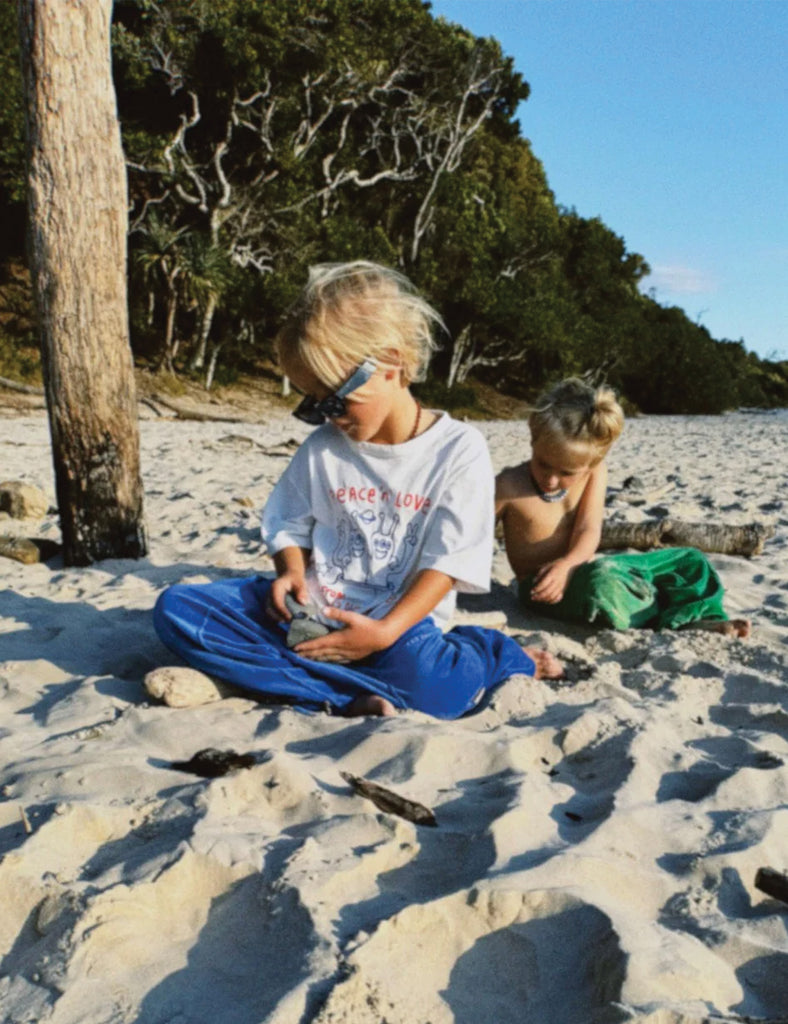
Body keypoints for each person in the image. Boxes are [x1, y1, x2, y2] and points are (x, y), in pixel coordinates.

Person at [150, 261, 561, 719]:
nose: (327, 415)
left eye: (334, 398)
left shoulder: (458, 450)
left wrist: (383, 633)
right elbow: (287, 523)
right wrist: (288, 572)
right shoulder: (323, 448)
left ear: (391, 362)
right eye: (312, 404)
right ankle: (344, 695)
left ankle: (493, 653)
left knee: (439, 692)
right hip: (312, 613)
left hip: (398, 627)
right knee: (177, 608)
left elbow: (447, 565)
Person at [495, 377, 750, 637]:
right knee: (602, 583)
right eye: (543, 464)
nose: (550, 479)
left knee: (690, 560)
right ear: (533, 440)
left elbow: (588, 529)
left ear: (592, 462)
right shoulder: (508, 486)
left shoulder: (595, 472)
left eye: (566, 472)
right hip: (543, 588)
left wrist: (569, 564)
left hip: (583, 565)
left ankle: (702, 617)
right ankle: (668, 616)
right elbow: (469, 537)